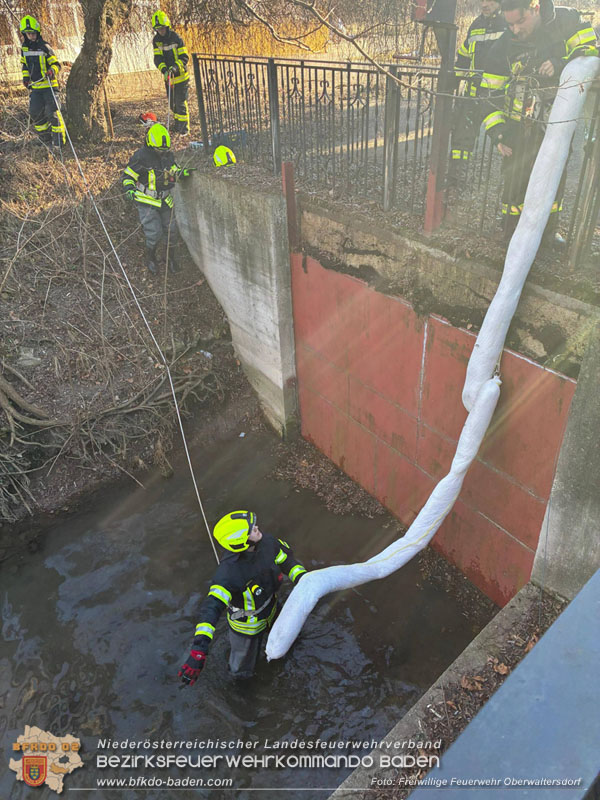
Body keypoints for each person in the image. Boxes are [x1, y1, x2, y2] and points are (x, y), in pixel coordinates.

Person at [480, 0, 598, 242]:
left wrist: (559, 62)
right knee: (515, 180)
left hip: (555, 126)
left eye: (520, 22)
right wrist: (498, 133)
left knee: (554, 177)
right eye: (509, 24)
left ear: (534, 7)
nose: (515, 30)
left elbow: (590, 51)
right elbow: (488, 93)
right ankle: (511, 231)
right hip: (516, 129)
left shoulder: (567, 22)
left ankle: (547, 233)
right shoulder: (504, 46)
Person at [179, 511, 307, 683]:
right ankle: (241, 686)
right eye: (251, 529)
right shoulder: (228, 574)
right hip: (247, 627)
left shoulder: (268, 543)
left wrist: (304, 580)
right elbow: (211, 609)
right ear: (240, 542)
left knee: (291, 639)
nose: (257, 528)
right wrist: (199, 650)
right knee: (241, 670)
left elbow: (287, 562)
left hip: (273, 609)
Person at [122, 122, 192, 274]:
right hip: (147, 201)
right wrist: (129, 189)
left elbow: (173, 169)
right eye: (159, 150)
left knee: (172, 231)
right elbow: (128, 176)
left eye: (164, 150)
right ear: (151, 144)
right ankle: (151, 258)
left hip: (165, 200)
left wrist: (181, 173)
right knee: (154, 232)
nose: (162, 152)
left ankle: (171, 258)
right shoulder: (140, 157)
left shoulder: (168, 155)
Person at [451, 0, 507, 165]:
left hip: (498, 96)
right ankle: (456, 179)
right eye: (481, 0)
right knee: (460, 140)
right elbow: (464, 56)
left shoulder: (508, 25)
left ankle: (507, 183)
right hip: (473, 94)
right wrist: (453, 79)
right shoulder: (476, 25)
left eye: (489, 1)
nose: (484, 4)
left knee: (505, 140)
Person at [19, 15, 66, 149]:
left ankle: (58, 142)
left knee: (53, 113)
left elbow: (57, 64)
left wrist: (52, 71)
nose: (31, 36)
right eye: (28, 34)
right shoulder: (24, 49)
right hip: (36, 88)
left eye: (33, 33)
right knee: (35, 112)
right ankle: (45, 139)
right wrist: (25, 78)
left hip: (50, 86)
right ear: (24, 34)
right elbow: (25, 66)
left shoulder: (45, 47)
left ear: (37, 32)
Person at [151, 10, 190, 135]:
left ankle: (184, 129)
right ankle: (178, 125)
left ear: (167, 26)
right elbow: (158, 58)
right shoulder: (156, 40)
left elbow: (184, 57)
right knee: (172, 104)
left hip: (181, 77)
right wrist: (164, 69)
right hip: (168, 78)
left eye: (162, 28)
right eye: (158, 29)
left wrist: (174, 68)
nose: (160, 31)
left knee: (180, 102)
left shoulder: (176, 38)